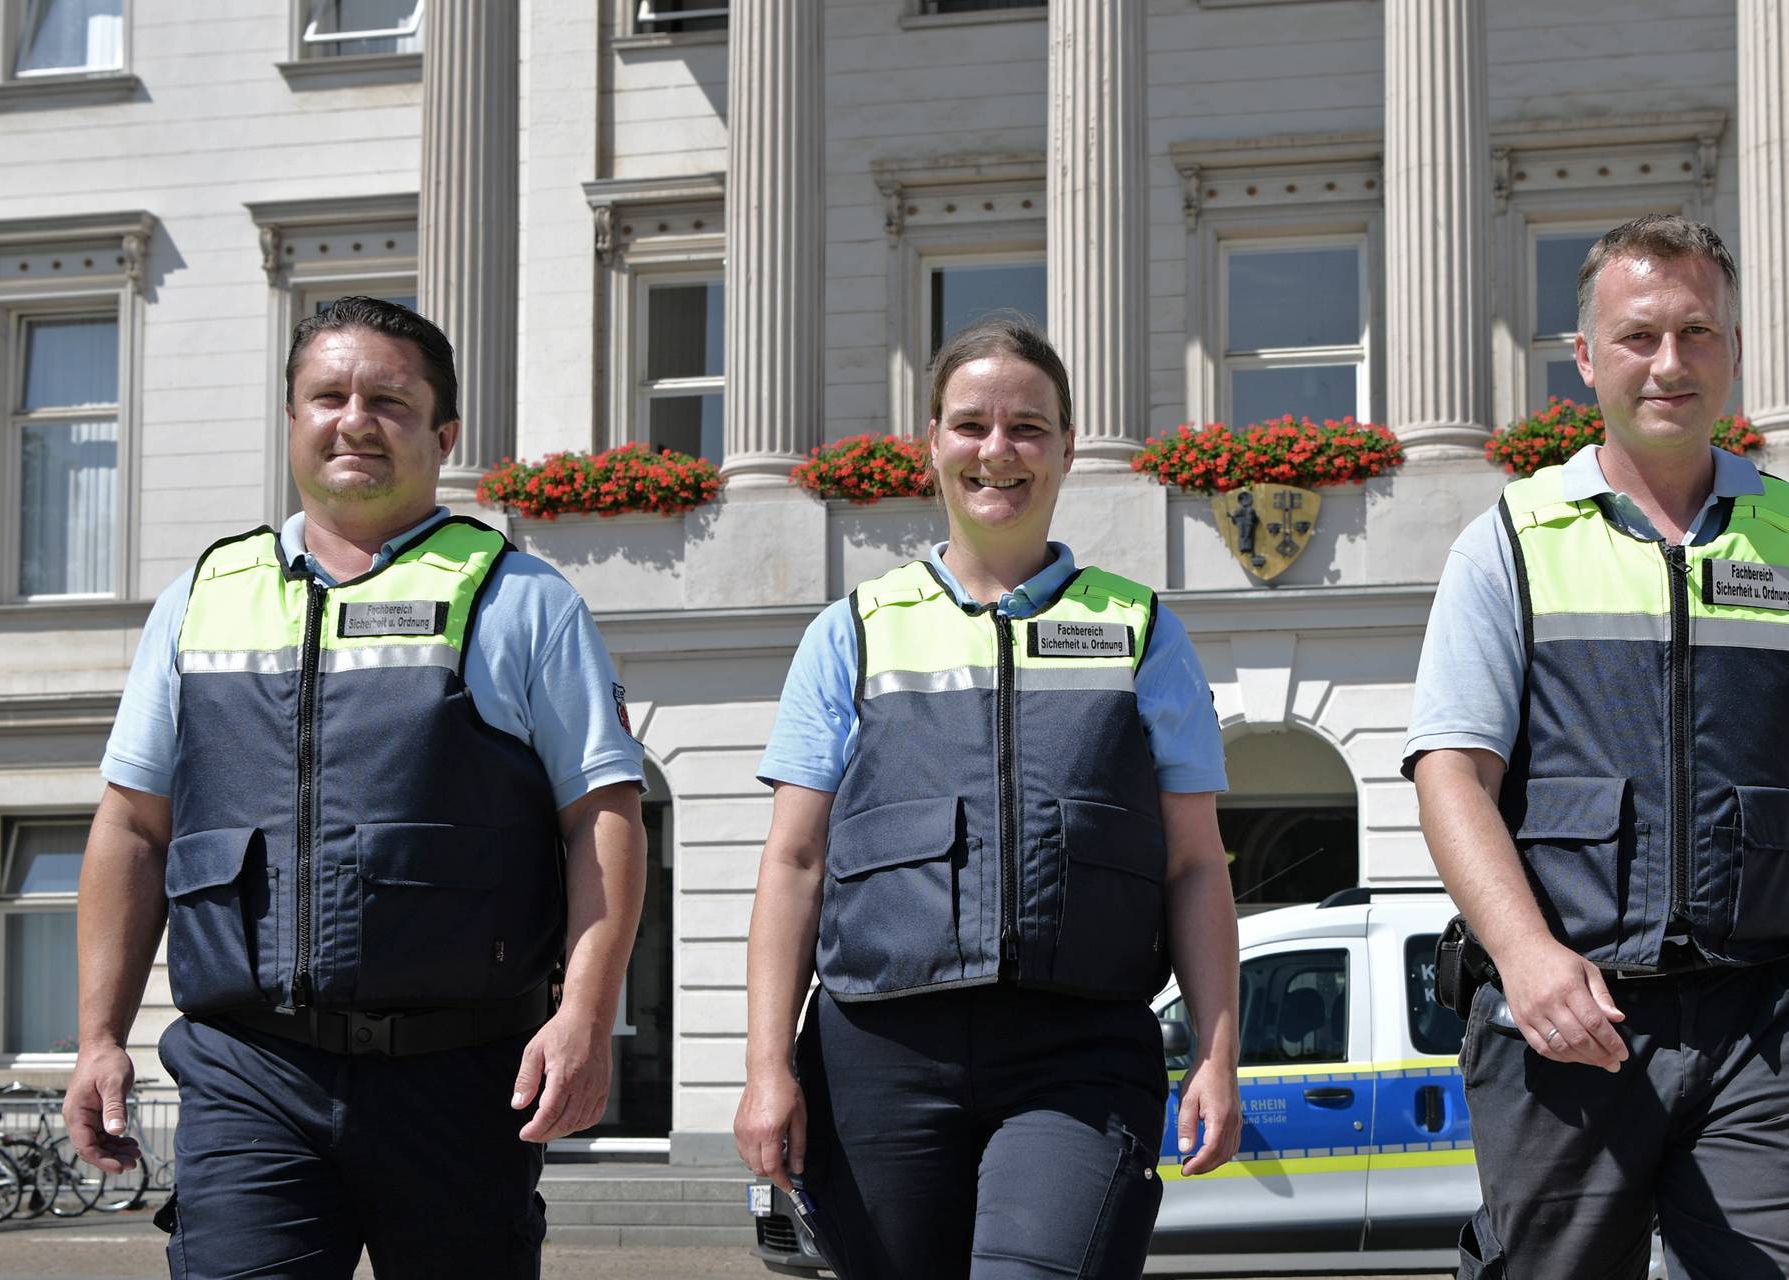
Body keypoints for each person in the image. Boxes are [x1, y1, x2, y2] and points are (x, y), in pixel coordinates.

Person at [63, 296, 650, 1278]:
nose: (355, 419)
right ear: (292, 418)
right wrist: (96, 1037)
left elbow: (605, 817)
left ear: (443, 433)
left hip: (463, 1077)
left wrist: (585, 1017)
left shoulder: (523, 601)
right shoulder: (202, 599)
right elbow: (131, 828)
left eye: (389, 399)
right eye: (327, 395)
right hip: (250, 1072)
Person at [1405, 215, 1789, 1279]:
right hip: (1569, 1021)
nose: (1670, 362)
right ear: (1585, 357)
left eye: (1697, 333)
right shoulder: (1508, 542)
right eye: (1638, 336)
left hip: (1767, 1016)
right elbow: (1451, 770)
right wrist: (1530, 959)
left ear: (1730, 348)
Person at [732, 316, 1244, 1279]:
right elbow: (794, 862)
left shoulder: (1140, 632)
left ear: (1066, 448)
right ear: (931, 443)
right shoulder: (855, 631)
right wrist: (768, 1068)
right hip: (875, 1054)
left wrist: (1217, 1053)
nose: (997, 451)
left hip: (1080, 1054)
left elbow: (1193, 863)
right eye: (971, 425)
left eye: (1028, 427)